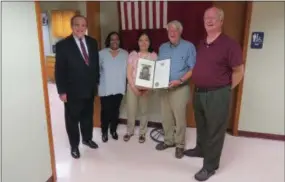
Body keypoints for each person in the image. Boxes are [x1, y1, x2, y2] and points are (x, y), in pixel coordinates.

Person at [184, 7, 244, 181]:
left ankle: (210, 166)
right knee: (201, 125)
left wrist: (225, 89)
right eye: (206, 18)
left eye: (213, 17)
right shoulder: (202, 43)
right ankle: (201, 149)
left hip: (218, 94)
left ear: (221, 21)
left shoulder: (230, 45)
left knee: (215, 130)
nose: (208, 20)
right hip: (200, 93)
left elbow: (239, 71)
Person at [54, 15, 100, 159]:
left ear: (86, 26)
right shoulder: (63, 45)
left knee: (87, 116)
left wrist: (96, 82)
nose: (80, 28)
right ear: (71, 26)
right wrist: (61, 91)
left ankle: (87, 139)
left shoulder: (92, 42)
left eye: (83, 25)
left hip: (89, 89)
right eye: (77, 25)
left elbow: (95, 65)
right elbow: (59, 70)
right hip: (72, 91)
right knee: (72, 119)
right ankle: (74, 146)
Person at [155, 20, 196, 159]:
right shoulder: (162, 47)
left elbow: (192, 69)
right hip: (164, 88)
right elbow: (159, 66)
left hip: (180, 87)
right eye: (169, 30)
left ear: (180, 31)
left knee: (179, 119)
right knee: (166, 117)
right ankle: (168, 141)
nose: (172, 33)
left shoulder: (189, 46)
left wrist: (180, 81)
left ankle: (179, 145)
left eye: (175, 30)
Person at [123, 32, 157, 143]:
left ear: (150, 42)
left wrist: (148, 88)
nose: (143, 42)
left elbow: (155, 74)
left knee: (144, 111)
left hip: (147, 89)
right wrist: (134, 88)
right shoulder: (133, 54)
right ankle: (129, 131)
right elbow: (128, 73)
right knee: (131, 110)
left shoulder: (153, 56)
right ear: (137, 42)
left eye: (146, 40)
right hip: (132, 87)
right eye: (141, 40)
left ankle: (142, 133)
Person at [98, 31, 128, 143]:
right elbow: (96, 70)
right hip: (105, 88)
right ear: (108, 41)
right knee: (105, 111)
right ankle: (104, 132)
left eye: (117, 39)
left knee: (115, 111)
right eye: (112, 39)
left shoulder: (125, 54)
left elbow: (129, 71)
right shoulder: (101, 53)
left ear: (119, 41)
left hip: (119, 88)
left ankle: (113, 130)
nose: (115, 41)